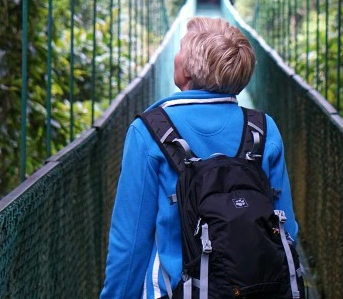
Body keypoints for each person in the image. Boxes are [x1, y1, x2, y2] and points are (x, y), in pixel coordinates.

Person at [99, 17, 300, 299]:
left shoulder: (147, 132)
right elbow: (286, 228)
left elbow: (129, 244)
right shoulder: (263, 130)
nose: (176, 55)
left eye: (181, 49)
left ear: (189, 68)